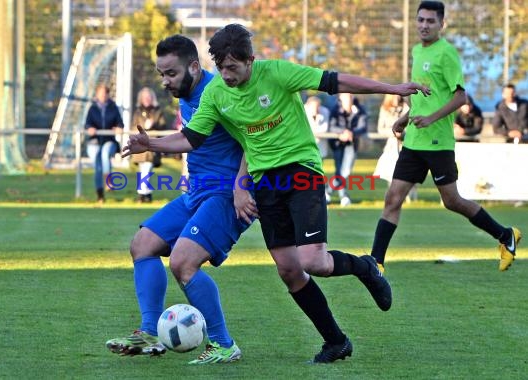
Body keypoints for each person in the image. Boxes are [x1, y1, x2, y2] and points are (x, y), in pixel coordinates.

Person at [123, 24, 431, 363]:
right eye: (221, 67)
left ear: (251, 60)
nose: (226, 76)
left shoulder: (278, 73)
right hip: (265, 182)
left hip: (300, 173)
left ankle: (365, 267)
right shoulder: (216, 94)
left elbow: (335, 81)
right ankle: (336, 341)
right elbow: (192, 139)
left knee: (313, 261)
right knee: (288, 269)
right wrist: (150, 143)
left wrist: (392, 88)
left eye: (233, 68)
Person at [106, 35, 254, 364]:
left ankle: (223, 344)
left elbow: (252, 139)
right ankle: (150, 333)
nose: (165, 81)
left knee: (183, 263)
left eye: (170, 73)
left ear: (194, 67)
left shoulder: (221, 93)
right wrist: (154, 143)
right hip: (197, 193)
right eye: (161, 74)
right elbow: (191, 137)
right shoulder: (186, 94)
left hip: (226, 195)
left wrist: (242, 186)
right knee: (142, 244)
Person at [369, 1, 521, 275]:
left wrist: (431, 119)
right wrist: (407, 117)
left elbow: (460, 96)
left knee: (452, 201)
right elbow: (424, 96)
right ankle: (376, 262)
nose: (424, 25)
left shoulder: (447, 54)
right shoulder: (416, 50)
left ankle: (505, 234)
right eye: (421, 20)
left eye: (430, 21)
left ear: (442, 24)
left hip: (438, 143)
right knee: (393, 198)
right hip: (415, 142)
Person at [373, 94, 418, 202]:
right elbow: (380, 129)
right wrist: (394, 133)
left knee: (409, 170)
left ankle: (410, 195)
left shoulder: (406, 108)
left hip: (406, 143)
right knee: (391, 170)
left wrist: (402, 134)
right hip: (391, 145)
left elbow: (412, 126)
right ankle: (393, 194)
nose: (397, 97)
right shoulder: (385, 109)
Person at [85, 84, 124, 203]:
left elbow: (120, 124)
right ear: (97, 94)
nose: (102, 95)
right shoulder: (92, 108)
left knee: (105, 153)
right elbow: (87, 124)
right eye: (100, 93)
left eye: (104, 93)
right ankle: (100, 194)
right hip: (95, 142)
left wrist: (118, 128)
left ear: (107, 94)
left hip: (108, 141)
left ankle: (108, 180)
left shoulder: (113, 107)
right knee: (98, 166)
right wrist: (90, 129)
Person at [327, 93, 367, 206]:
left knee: (345, 171)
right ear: (340, 98)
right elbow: (332, 126)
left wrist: (351, 133)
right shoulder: (335, 109)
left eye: (350, 96)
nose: (348, 98)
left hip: (352, 143)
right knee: (340, 171)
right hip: (337, 143)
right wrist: (342, 132)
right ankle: (343, 196)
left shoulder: (360, 109)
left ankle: (327, 191)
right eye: (345, 96)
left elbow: (363, 127)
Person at [130, 87, 168, 203]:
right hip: (140, 146)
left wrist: (153, 124)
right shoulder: (137, 112)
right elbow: (133, 127)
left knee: (147, 169)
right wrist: (143, 127)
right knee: (144, 170)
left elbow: (163, 127)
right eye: (144, 97)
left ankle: (142, 194)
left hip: (152, 145)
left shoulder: (158, 112)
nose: (147, 99)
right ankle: (146, 194)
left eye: (149, 97)